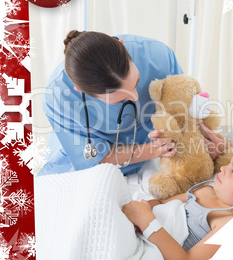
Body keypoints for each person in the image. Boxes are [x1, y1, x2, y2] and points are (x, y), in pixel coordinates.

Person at [38, 31, 184, 176]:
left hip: (156, 143)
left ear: (122, 45)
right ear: (81, 90)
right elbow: (92, 158)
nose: (136, 97)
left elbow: (185, 108)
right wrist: (155, 150)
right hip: (95, 164)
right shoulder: (58, 96)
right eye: (120, 100)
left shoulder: (157, 56)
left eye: (137, 81)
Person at [122, 142, 233, 260]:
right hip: (140, 224)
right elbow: (162, 203)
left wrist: (146, 221)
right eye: (229, 163)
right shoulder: (206, 190)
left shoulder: (231, 223)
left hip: (152, 241)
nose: (222, 168)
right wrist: (141, 208)